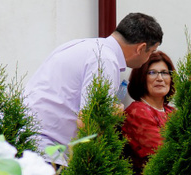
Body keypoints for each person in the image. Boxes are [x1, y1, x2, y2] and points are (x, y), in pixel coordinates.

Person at [28, 12, 162, 160]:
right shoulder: (105, 60)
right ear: (141, 48)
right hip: (48, 151)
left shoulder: (80, 45)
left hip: (29, 140)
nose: (148, 58)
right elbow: (88, 122)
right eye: (151, 51)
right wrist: (113, 115)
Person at [121, 49, 176, 175]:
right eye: (152, 73)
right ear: (141, 77)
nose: (160, 78)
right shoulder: (137, 112)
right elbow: (162, 153)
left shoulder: (172, 112)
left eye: (165, 73)